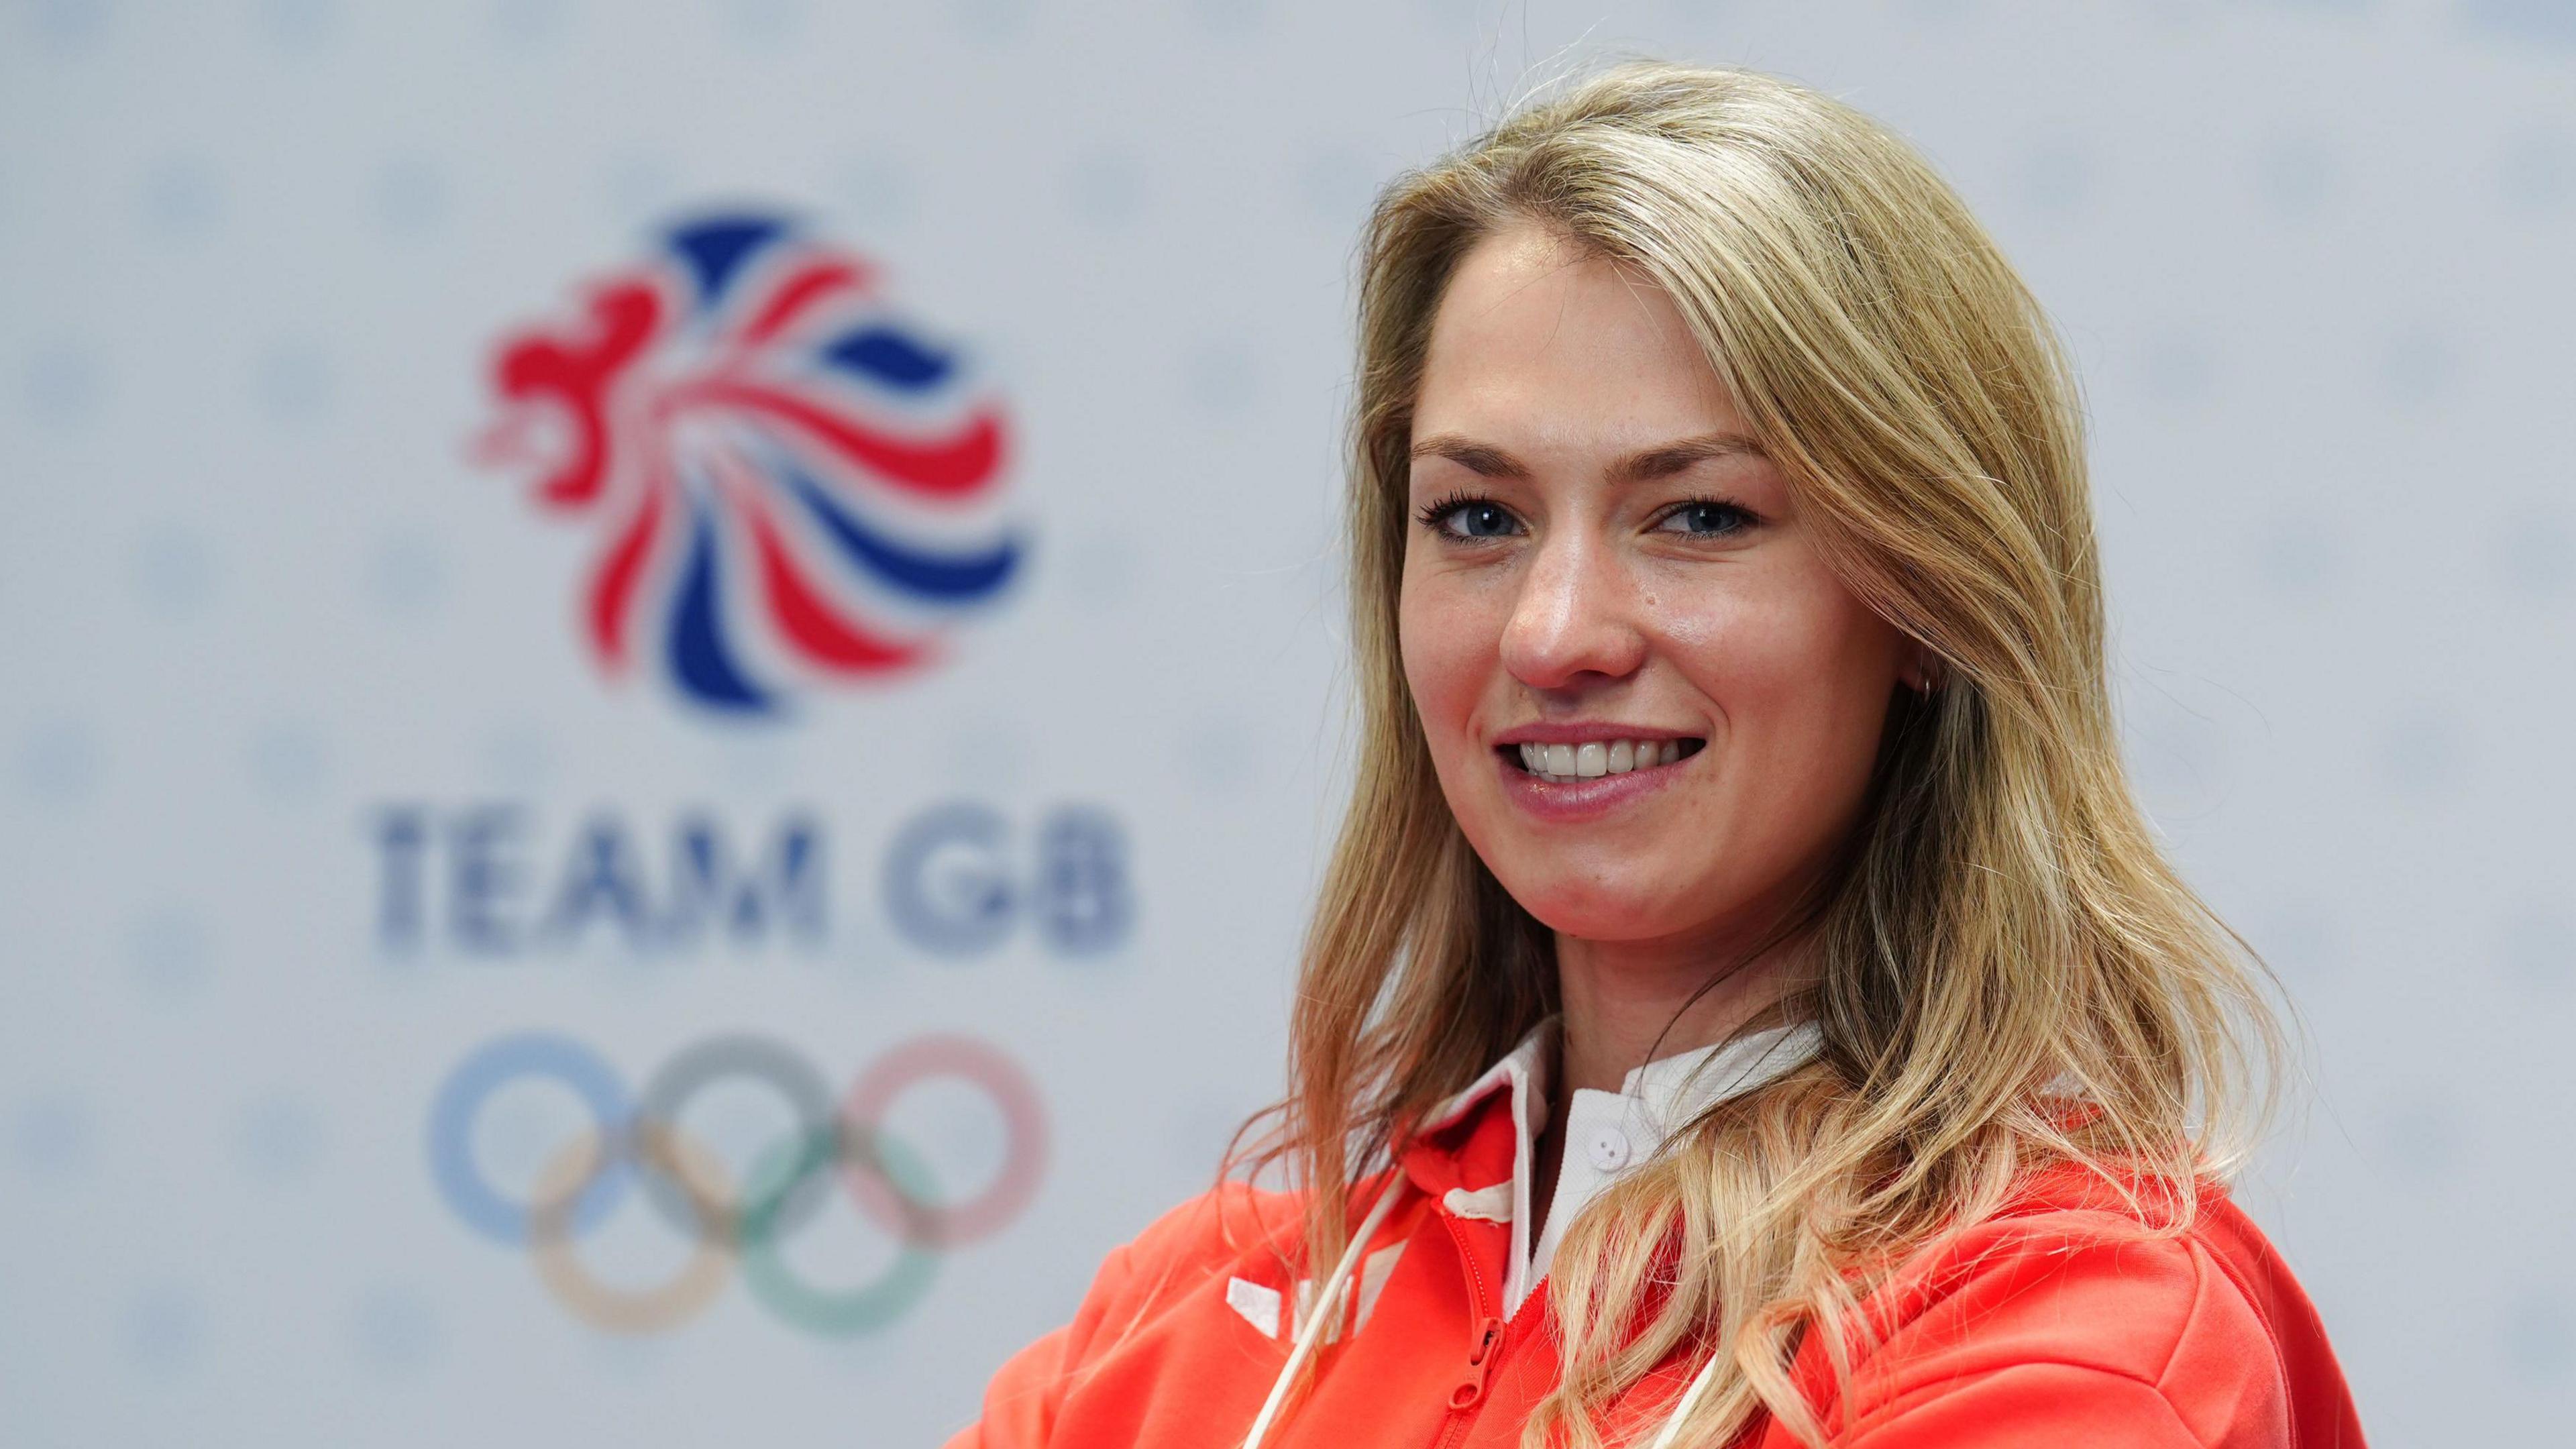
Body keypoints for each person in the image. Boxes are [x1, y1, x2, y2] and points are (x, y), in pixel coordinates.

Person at [944, 60, 2365, 1448]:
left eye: (1697, 518)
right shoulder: (1198, 1316)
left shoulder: (2071, 1333)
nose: (1555, 634)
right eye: (1478, 519)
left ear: (1928, 599)